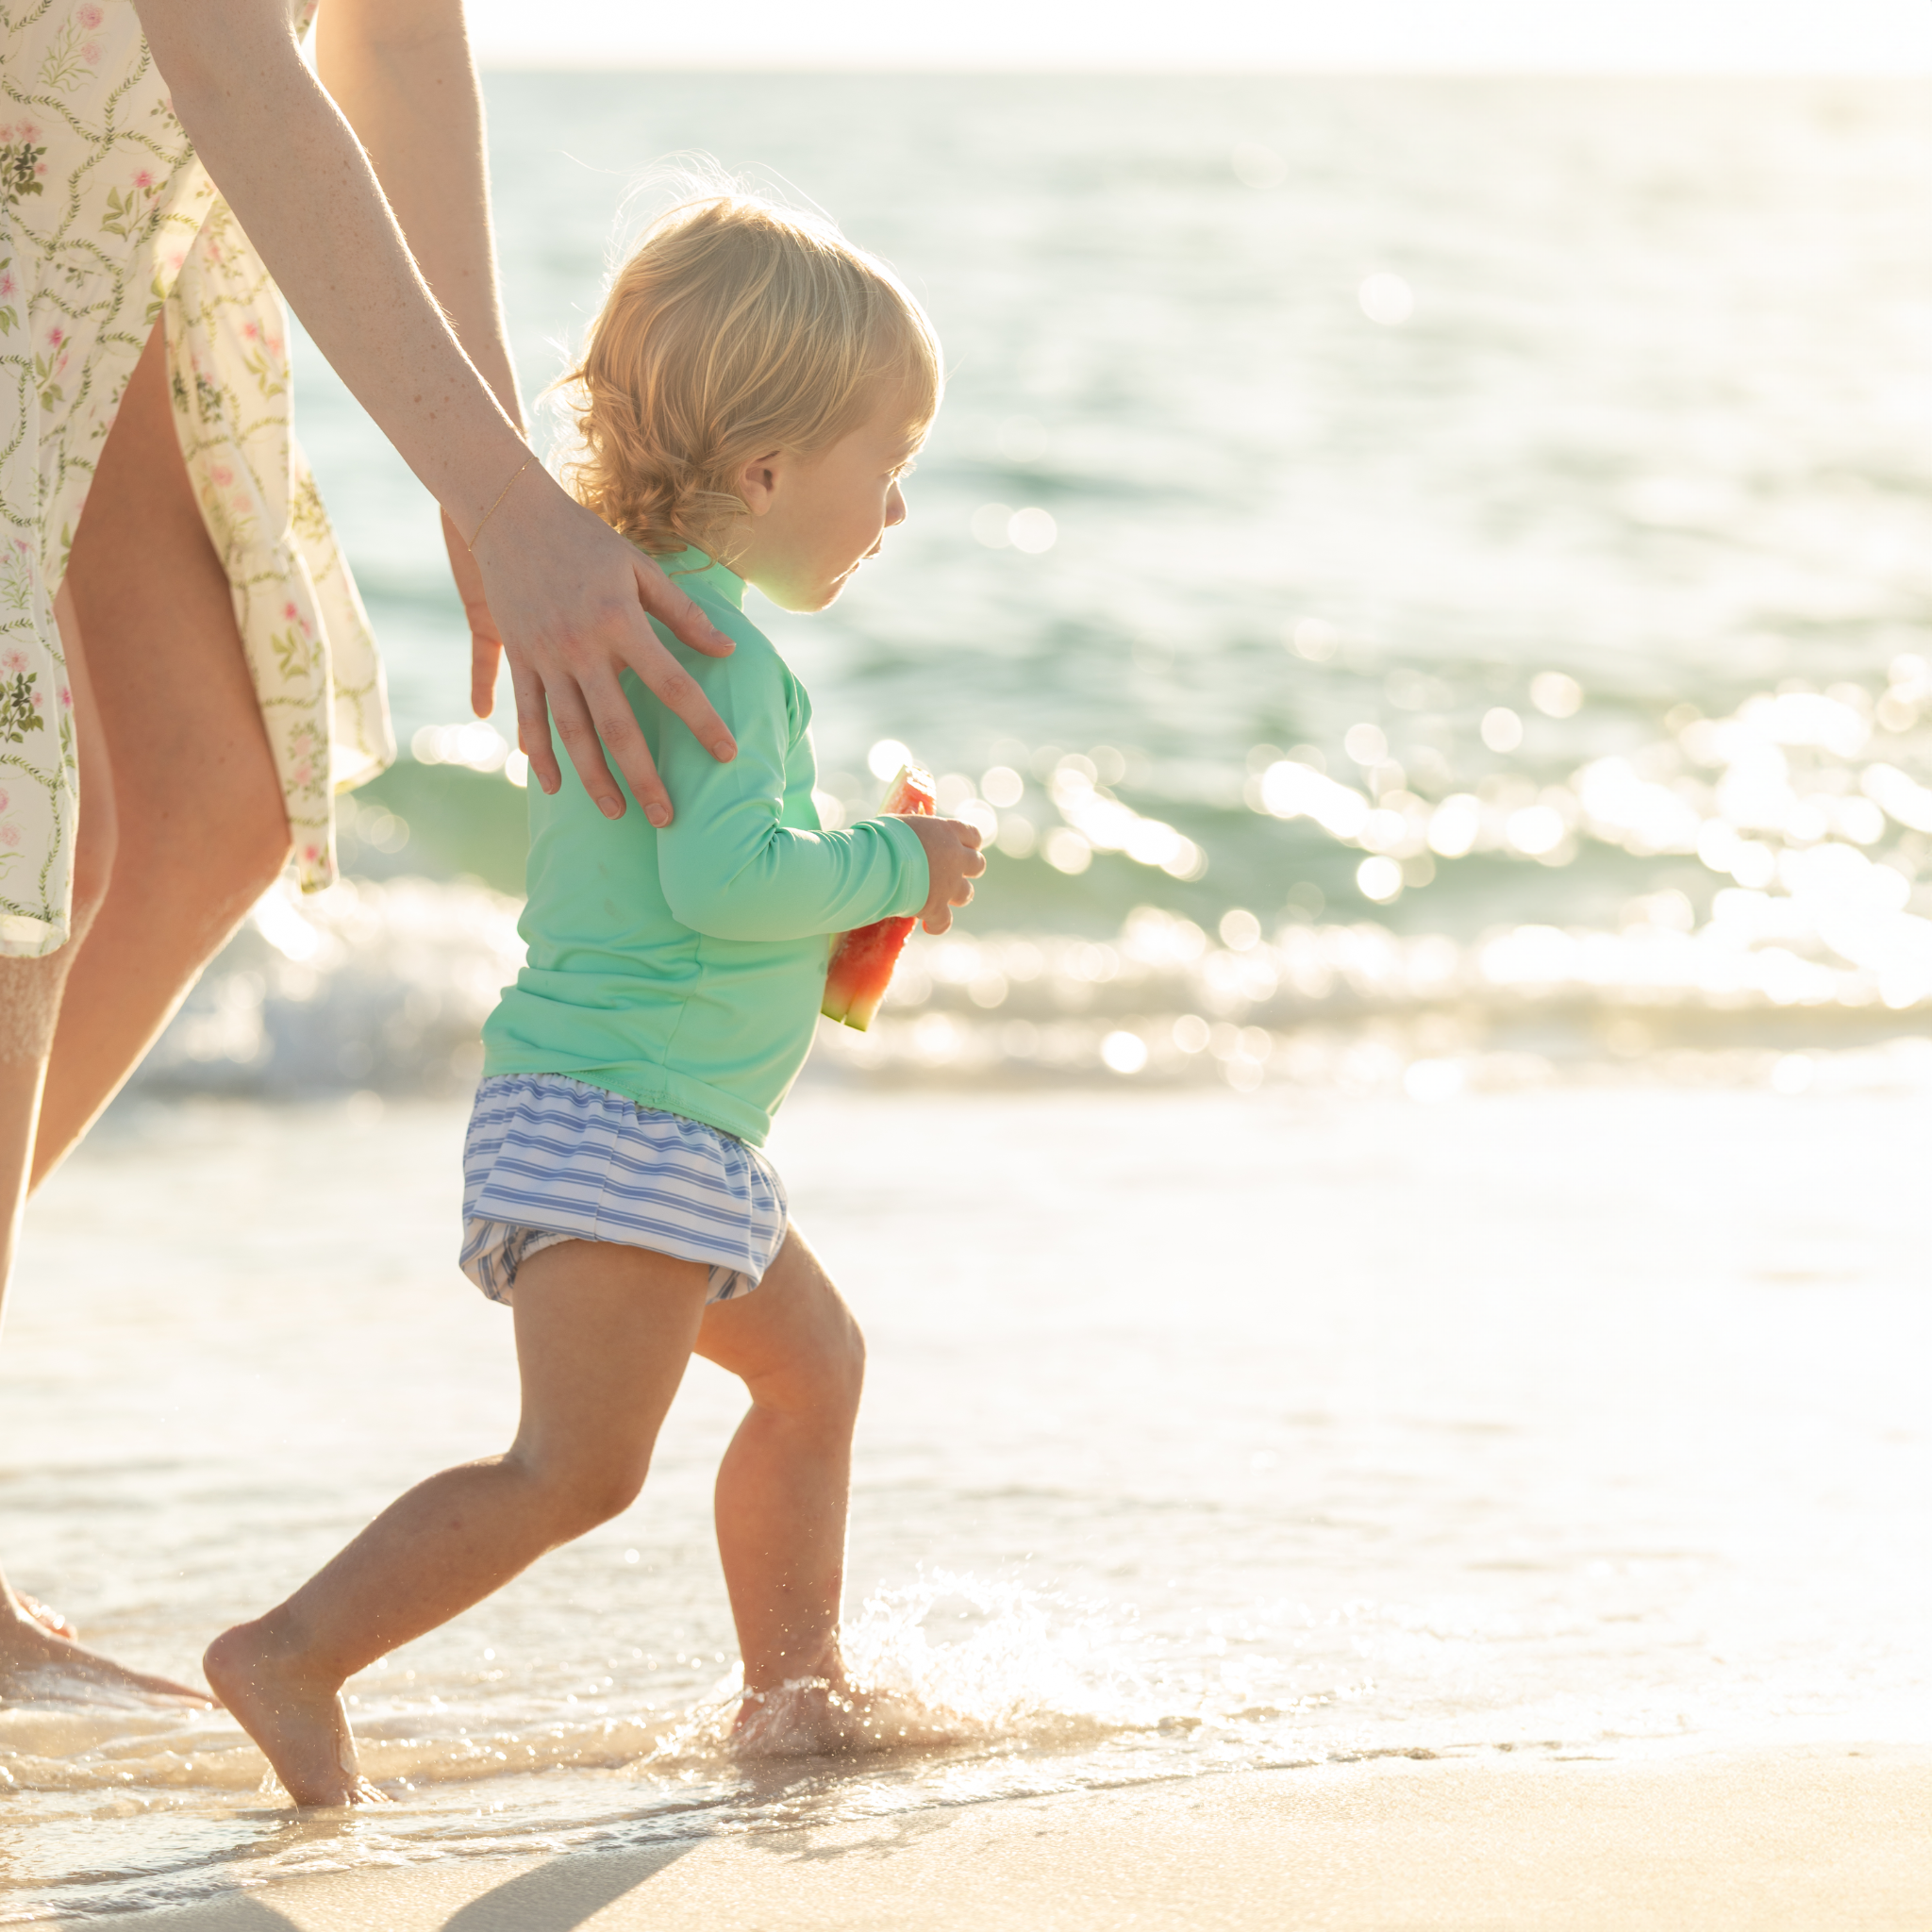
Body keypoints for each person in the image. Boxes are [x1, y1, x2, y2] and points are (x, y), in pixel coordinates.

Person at [0, 0, 749, 1702]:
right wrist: (496, 500)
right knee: (26, 835)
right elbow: (226, 46)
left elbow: (393, 32)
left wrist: (485, 465)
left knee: (212, 791)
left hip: (104, 191)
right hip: (68, 128)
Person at [204, 189, 987, 1805]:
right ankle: (291, 1652)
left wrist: (842, 902)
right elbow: (729, 881)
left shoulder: (637, 614)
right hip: (631, 1128)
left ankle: (794, 1693)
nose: (896, 508)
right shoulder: (719, 657)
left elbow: (687, 893)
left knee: (814, 1367)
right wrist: (900, 867)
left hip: (658, 1129)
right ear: (769, 472)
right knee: (572, 1471)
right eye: (885, 462)